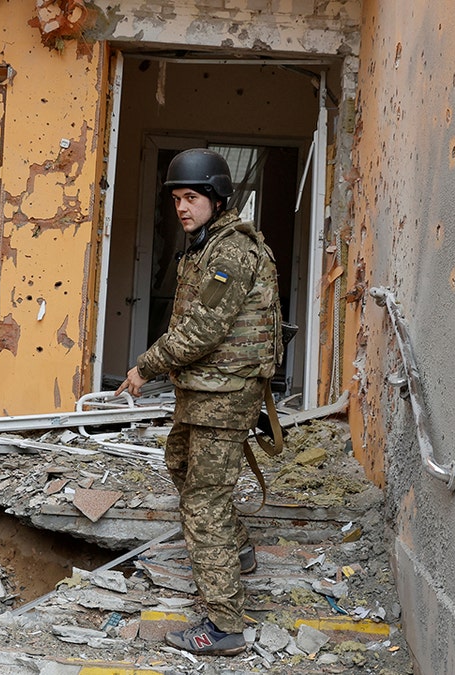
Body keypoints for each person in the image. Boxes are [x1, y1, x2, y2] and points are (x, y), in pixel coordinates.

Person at [115, 148, 282, 656]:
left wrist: (146, 365)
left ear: (216, 198)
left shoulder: (230, 253)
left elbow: (204, 329)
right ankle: (238, 550)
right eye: (177, 199)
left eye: (191, 197)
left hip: (225, 395)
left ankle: (223, 625)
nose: (182, 208)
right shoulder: (204, 246)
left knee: (204, 500)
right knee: (179, 462)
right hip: (204, 392)